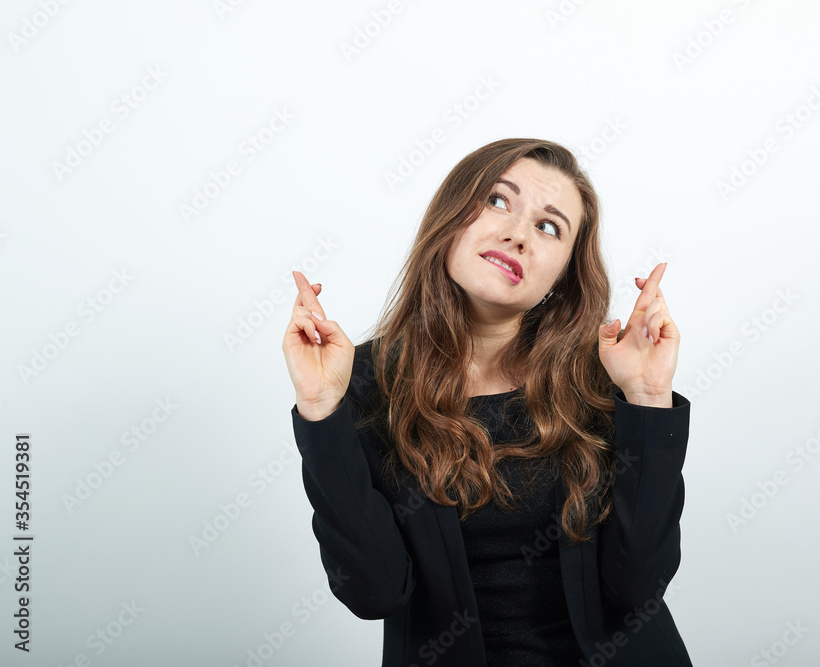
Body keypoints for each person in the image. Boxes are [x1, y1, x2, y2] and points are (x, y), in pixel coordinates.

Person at [281, 138, 693, 666]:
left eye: (549, 227)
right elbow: (374, 594)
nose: (517, 234)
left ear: (561, 275)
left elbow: (637, 588)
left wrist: (648, 398)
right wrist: (321, 410)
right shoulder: (360, 380)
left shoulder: (606, 377)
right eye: (499, 200)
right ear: (452, 217)